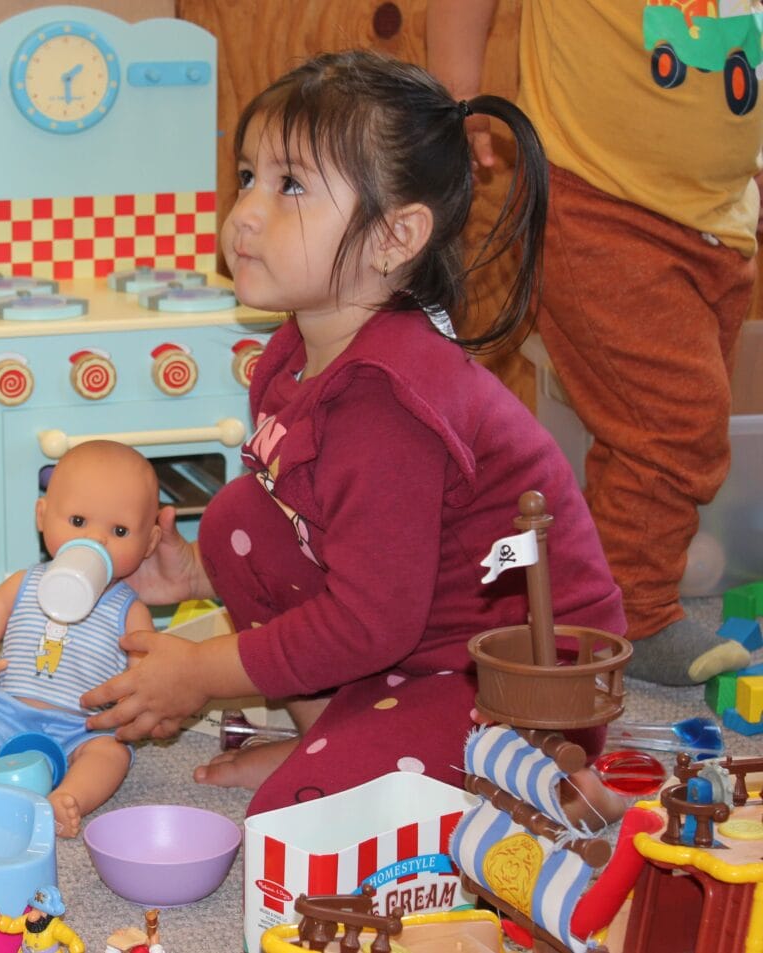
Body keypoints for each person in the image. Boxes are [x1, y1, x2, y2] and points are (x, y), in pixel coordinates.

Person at [77, 49, 628, 816]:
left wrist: (202, 671)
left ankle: (540, 780)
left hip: (512, 684)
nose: (246, 213)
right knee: (239, 518)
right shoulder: (296, 350)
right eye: (247, 177)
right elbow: (330, 538)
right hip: (407, 634)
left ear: (396, 237)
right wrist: (198, 574)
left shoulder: (387, 403)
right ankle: (338, 732)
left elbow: (369, 619)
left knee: (301, 820)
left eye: (291, 185)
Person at [427, 0, 763, 685]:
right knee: (675, 420)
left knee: (664, 425)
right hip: (598, 201)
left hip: (719, 214)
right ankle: (632, 615)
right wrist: (456, 96)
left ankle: (603, 584)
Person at [0, 439, 161, 837]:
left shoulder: (129, 609)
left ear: (150, 543)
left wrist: (131, 703)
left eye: (120, 530)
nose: (96, 540)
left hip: (83, 726)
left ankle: (68, 799)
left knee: (110, 754)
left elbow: (145, 672)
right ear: (42, 516)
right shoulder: (24, 583)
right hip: (8, 708)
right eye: (78, 522)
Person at [0, 885, 85, 953]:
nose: (35, 913)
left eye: (41, 910)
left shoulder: (56, 927)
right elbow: (11, 925)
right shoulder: (27, 920)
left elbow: (72, 939)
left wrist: (76, 948)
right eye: (35, 908)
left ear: (50, 914)